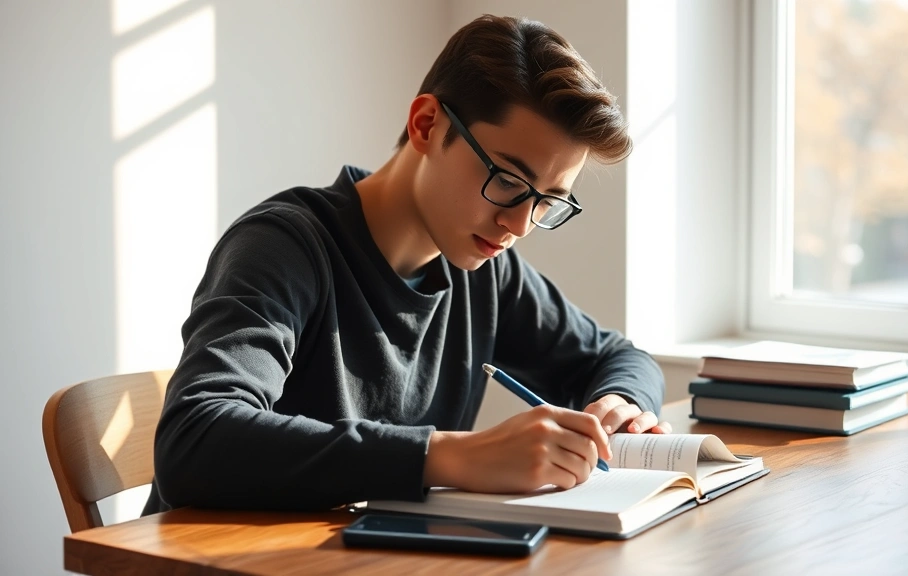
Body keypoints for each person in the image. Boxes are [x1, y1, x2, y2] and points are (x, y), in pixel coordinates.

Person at [143, 14, 669, 515]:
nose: (520, 225)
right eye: (508, 181)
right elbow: (195, 438)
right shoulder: (284, 247)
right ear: (425, 124)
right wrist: (453, 456)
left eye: (547, 200)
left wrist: (618, 403)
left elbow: (618, 356)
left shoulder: (482, 269)